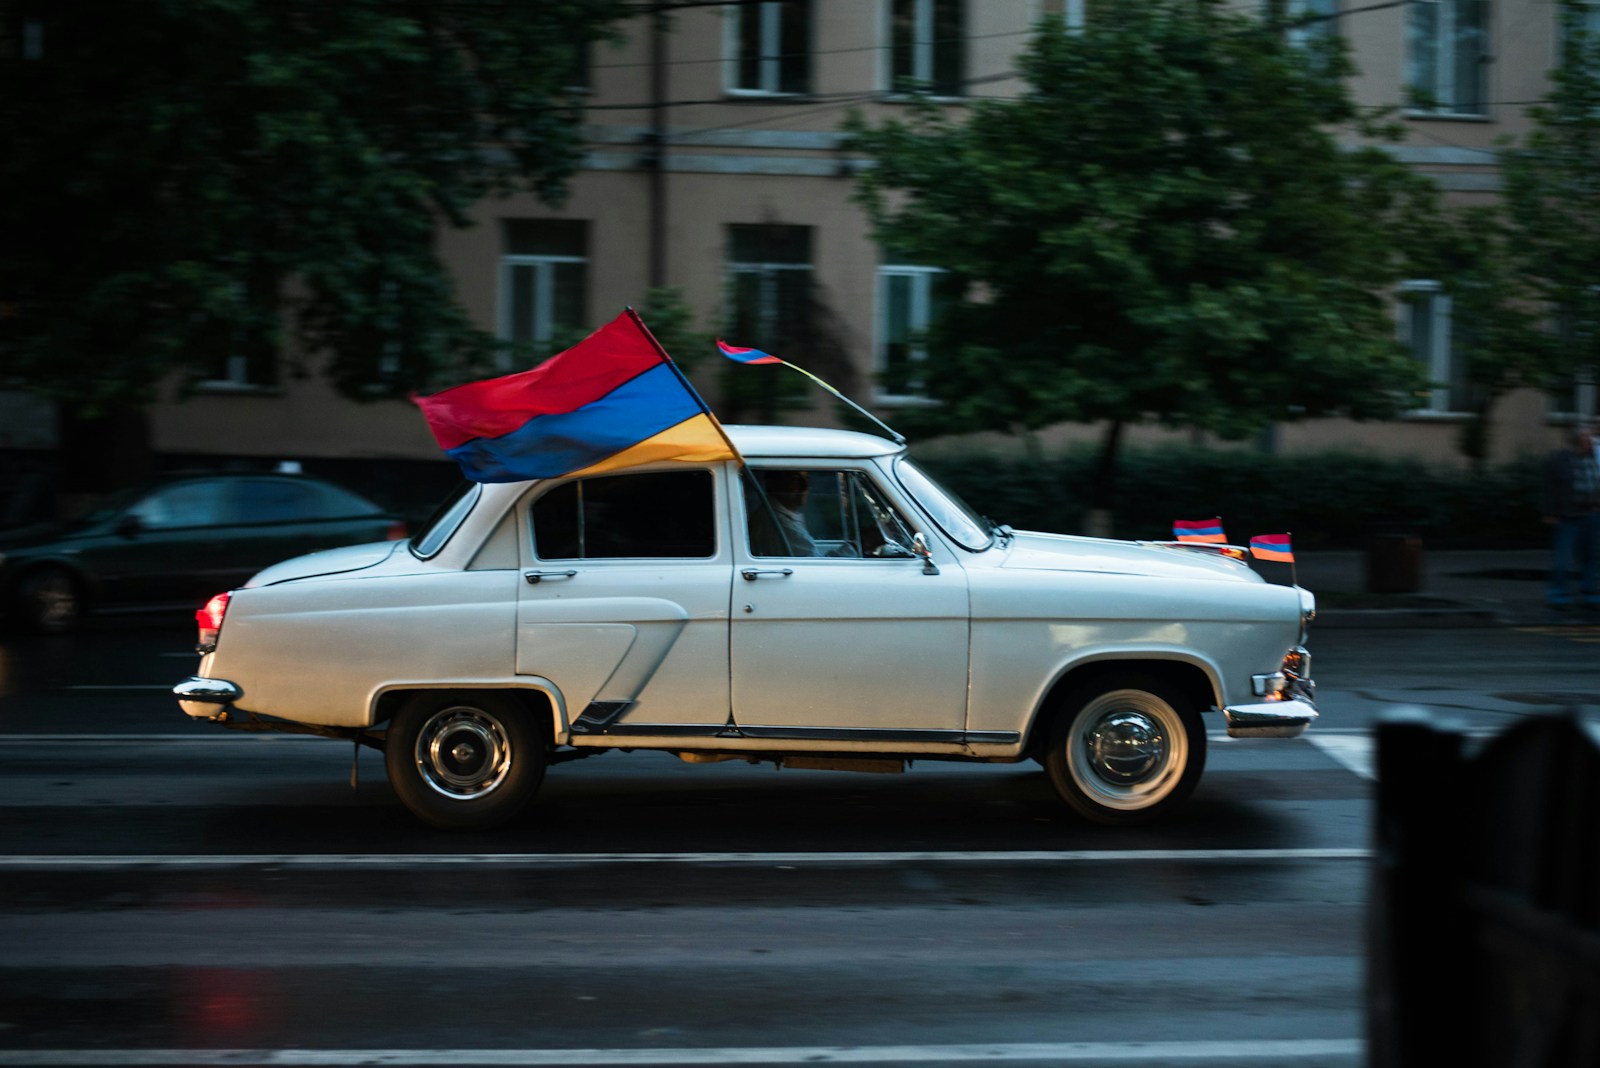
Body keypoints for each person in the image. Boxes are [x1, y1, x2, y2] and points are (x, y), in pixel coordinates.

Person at [1541, 424, 1600, 610]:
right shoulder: (1561, 459)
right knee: (1563, 558)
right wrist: (1550, 512)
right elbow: (1550, 488)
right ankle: (1557, 593)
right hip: (1569, 515)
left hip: (1591, 514)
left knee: (1592, 556)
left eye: (1591, 437)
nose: (1590, 440)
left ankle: (1589, 591)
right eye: (1586, 437)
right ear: (1577, 440)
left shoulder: (1592, 458)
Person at [748, 469, 819, 556]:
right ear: (774, 485)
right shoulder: (782, 525)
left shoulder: (771, 514)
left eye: (807, 479)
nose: (806, 487)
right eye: (796, 480)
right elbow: (817, 566)